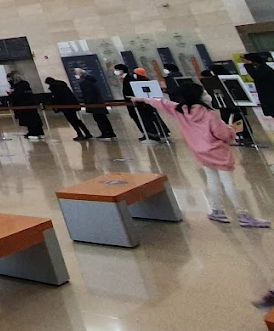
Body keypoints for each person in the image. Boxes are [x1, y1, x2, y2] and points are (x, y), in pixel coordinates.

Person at [136, 83, 268, 227]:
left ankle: (217, 210)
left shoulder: (180, 110)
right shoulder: (209, 114)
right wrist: (231, 131)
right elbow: (222, 134)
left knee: (212, 180)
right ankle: (243, 214)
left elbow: (162, 103)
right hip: (217, 152)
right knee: (228, 182)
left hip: (200, 151)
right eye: (203, 92)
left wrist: (142, 99)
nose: (206, 94)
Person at [73, 66, 116, 139]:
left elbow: (89, 94)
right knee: (103, 119)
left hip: (94, 104)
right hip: (99, 102)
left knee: (99, 119)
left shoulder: (85, 83)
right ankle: (110, 132)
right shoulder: (92, 81)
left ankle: (105, 133)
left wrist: (87, 101)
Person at [245, 51, 274, 123]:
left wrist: (248, 66)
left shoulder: (264, 70)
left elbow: (256, 76)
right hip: (268, 98)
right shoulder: (262, 68)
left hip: (270, 97)